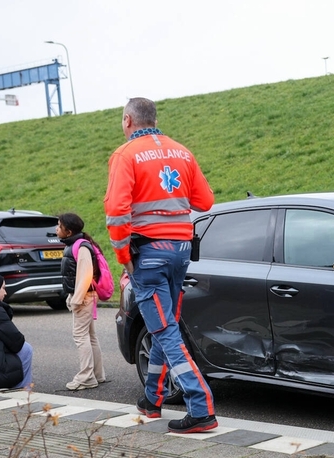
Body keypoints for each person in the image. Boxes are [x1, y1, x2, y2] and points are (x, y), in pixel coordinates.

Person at [104, 97, 218, 434]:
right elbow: (206, 201)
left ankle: (201, 407)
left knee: (165, 331)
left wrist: (124, 258)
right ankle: (152, 399)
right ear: (153, 118)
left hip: (149, 255)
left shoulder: (125, 155)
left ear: (128, 120)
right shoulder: (182, 152)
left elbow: (116, 212)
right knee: (164, 325)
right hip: (181, 251)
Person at [56, 212, 108, 391]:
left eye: (59, 226)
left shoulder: (81, 247)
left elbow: (85, 276)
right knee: (90, 336)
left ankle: (86, 377)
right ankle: (97, 374)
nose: (57, 229)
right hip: (85, 296)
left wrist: (76, 299)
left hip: (84, 298)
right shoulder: (78, 245)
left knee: (80, 336)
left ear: (68, 231)